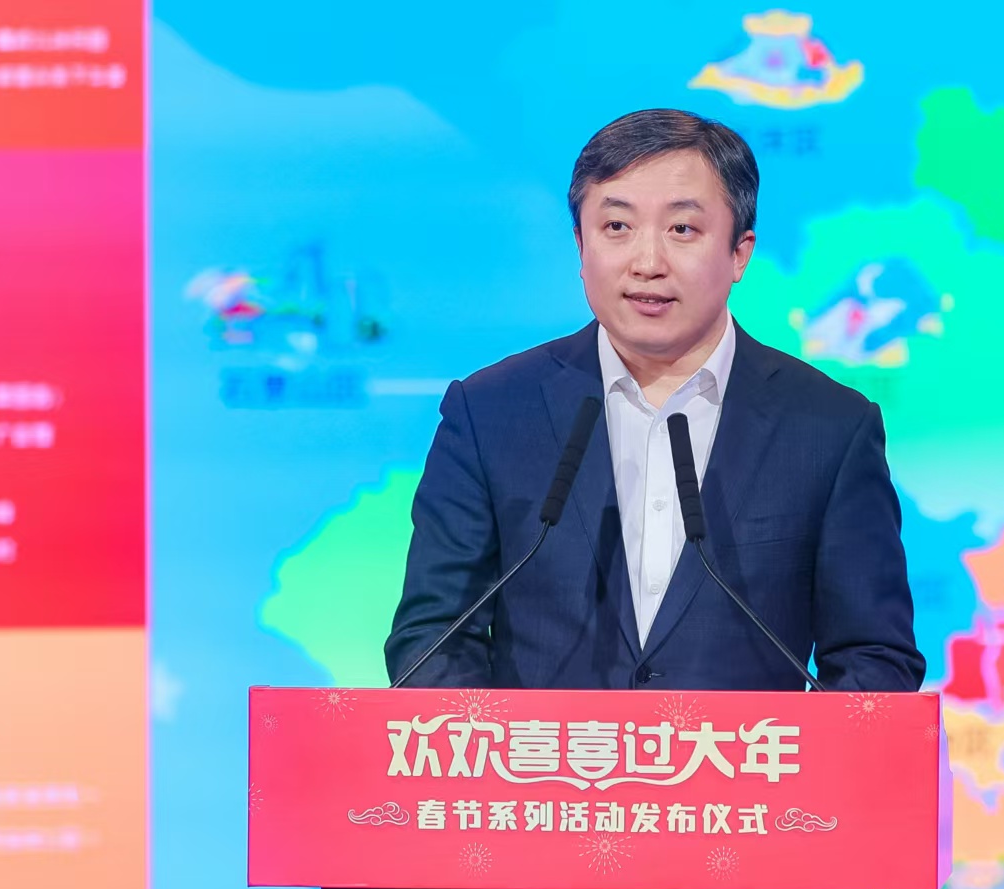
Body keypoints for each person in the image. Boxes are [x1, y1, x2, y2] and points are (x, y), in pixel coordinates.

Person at [384, 108, 924, 698]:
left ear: (739, 253)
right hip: (545, 761)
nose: (647, 263)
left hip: (744, 761)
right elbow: (433, 638)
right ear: (580, 245)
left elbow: (874, 658)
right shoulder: (490, 412)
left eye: (682, 230)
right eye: (617, 227)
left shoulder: (829, 427)